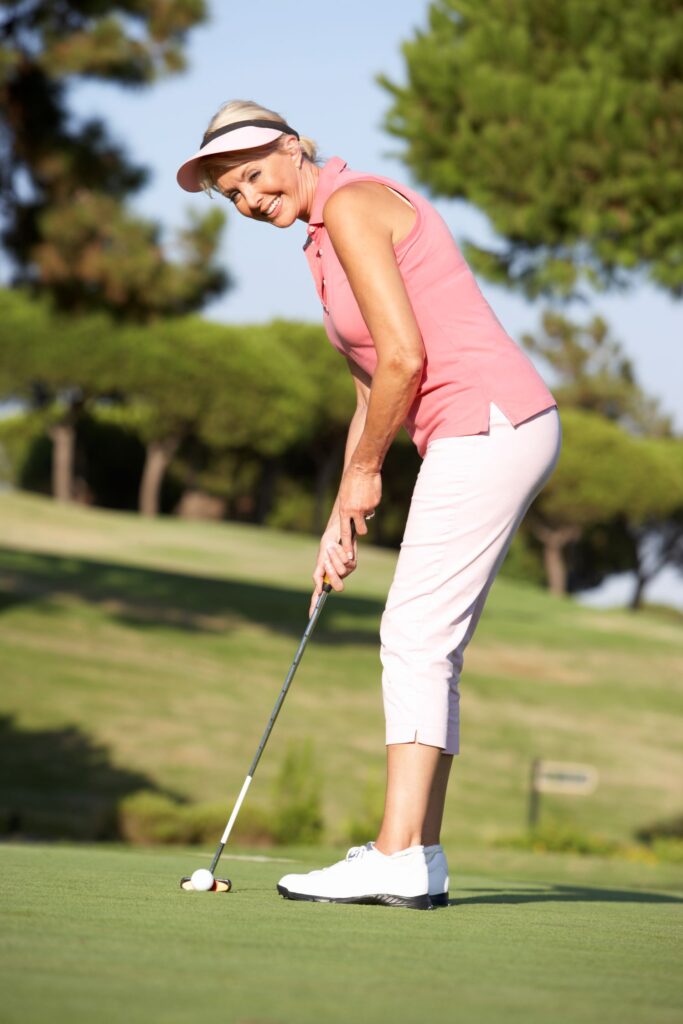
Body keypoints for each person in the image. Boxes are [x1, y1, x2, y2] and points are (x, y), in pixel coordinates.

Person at [177, 100, 561, 910]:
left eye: (252, 175)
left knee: (413, 635)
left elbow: (405, 358)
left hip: (486, 421)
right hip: (483, 426)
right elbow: (369, 379)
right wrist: (339, 514)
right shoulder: (321, 239)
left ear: (293, 148)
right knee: (431, 641)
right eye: (229, 193)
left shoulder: (351, 206)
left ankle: (396, 856)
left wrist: (365, 475)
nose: (246, 200)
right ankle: (416, 853)